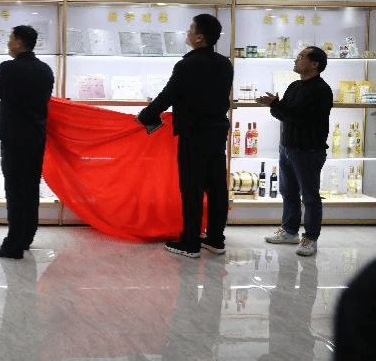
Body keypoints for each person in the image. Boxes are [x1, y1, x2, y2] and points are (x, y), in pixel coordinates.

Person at [137, 14, 233, 258]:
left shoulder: (187, 65)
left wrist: (146, 115)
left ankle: (190, 242)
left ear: (199, 37)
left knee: (192, 188)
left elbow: (167, 96)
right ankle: (216, 239)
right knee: (216, 187)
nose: (187, 33)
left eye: (191, 29)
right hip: (217, 131)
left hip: (194, 133)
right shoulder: (225, 64)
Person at [0, 25, 54, 259]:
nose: (8, 43)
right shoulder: (45, 70)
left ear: (19, 42)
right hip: (36, 137)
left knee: (14, 191)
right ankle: (26, 238)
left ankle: (12, 245)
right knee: (31, 189)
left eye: (10, 39)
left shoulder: (9, 68)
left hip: (14, 138)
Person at [256, 46, 332, 257]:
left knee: (310, 196)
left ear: (314, 64)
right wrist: (274, 105)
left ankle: (310, 238)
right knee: (288, 192)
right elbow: (284, 115)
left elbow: (301, 118)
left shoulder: (321, 90)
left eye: (301, 57)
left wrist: (277, 105)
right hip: (287, 147)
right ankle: (290, 231)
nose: (296, 60)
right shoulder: (294, 86)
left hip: (308, 150)